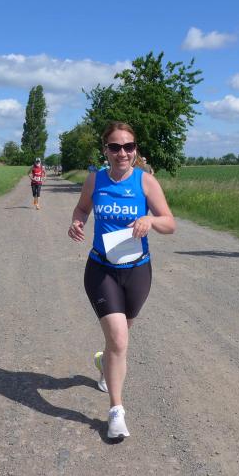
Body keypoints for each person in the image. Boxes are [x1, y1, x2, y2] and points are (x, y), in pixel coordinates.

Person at [68, 121, 176, 439]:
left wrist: (150, 220)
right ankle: (116, 412)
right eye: (115, 147)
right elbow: (81, 208)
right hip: (101, 269)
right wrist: (77, 222)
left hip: (137, 270)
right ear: (106, 150)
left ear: (135, 150)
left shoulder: (146, 182)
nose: (122, 153)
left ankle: (104, 363)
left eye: (128, 146)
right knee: (118, 340)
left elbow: (170, 223)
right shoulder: (95, 179)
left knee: (120, 337)